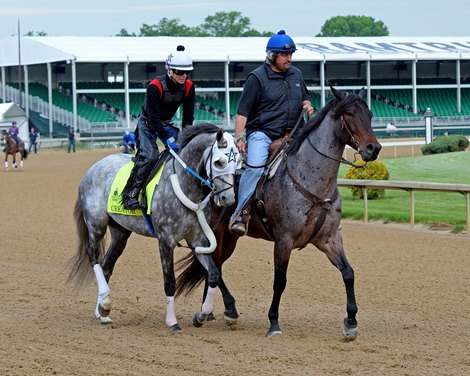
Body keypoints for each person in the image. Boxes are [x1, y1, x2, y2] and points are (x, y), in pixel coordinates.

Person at [229, 30, 315, 236]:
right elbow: (242, 112)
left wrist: (308, 104)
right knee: (256, 168)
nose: (289, 59)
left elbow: (305, 96)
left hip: (294, 133)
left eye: (291, 54)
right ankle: (241, 213)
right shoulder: (256, 78)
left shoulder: (297, 74)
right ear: (272, 55)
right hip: (262, 134)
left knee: (316, 163)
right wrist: (239, 137)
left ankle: (321, 211)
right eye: (285, 55)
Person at [121, 45, 195, 210]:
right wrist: (168, 138)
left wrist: (186, 136)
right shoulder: (155, 86)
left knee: (187, 153)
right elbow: (153, 117)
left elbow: (188, 116)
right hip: (148, 124)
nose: (184, 76)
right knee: (150, 157)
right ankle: (130, 195)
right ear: (169, 70)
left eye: (187, 72)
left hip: (166, 124)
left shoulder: (189, 87)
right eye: (179, 72)